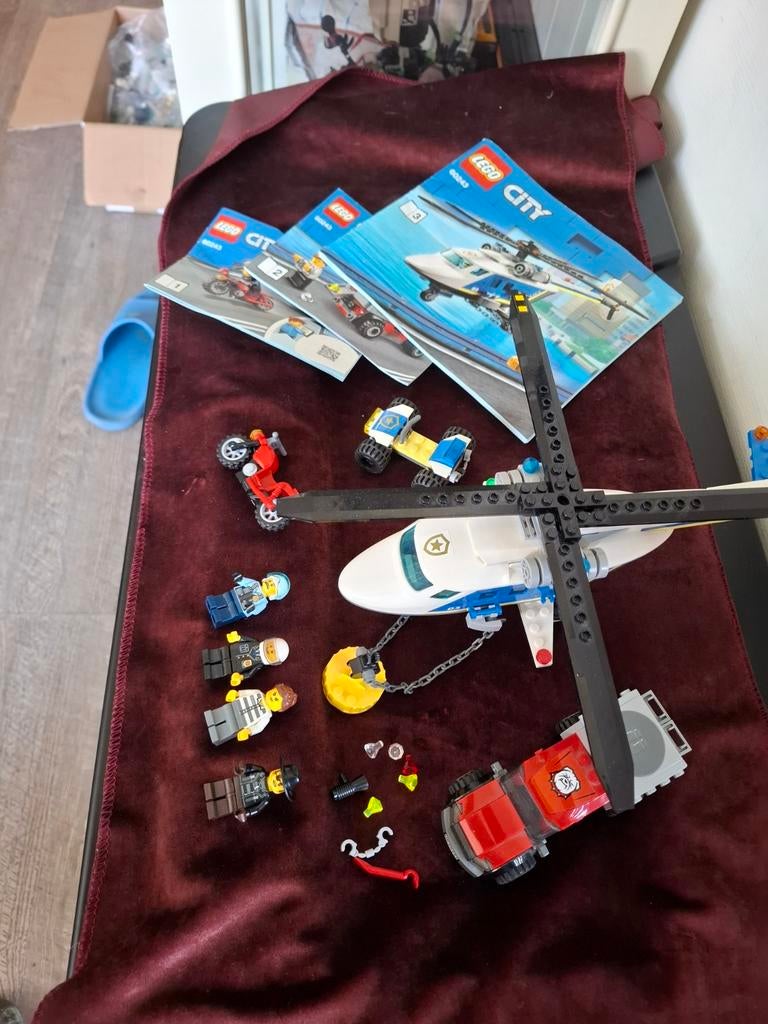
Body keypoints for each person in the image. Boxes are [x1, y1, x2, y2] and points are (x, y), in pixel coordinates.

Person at [204, 683, 298, 746]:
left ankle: (216, 737)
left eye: (276, 699)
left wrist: (248, 731)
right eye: (274, 693)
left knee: (228, 730)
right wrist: (236, 694)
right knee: (221, 712)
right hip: (234, 706)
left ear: (279, 709)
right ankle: (210, 718)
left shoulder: (266, 716)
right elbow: (245, 692)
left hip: (240, 723)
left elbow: (258, 727)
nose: (273, 697)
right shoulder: (258, 692)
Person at [201, 634, 289, 686]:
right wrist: (237, 637)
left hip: (233, 667)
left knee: (220, 670)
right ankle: (206, 656)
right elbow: (244, 639)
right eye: (271, 646)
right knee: (216, 654)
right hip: (229, 651)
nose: (269, 649)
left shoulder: (259, 664)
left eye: (272, 652)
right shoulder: (254, 642)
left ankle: (209, 673)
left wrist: (240, 677)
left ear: (273, 661)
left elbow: (250, 673)